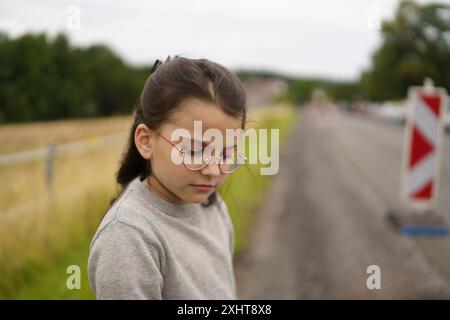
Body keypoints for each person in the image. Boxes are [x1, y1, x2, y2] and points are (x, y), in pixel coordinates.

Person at [88, 55, 247, 299]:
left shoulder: (211, 205)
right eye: (194, 150)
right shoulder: (128, 238)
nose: (213, 171)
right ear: (145, 141)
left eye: (226, 153)